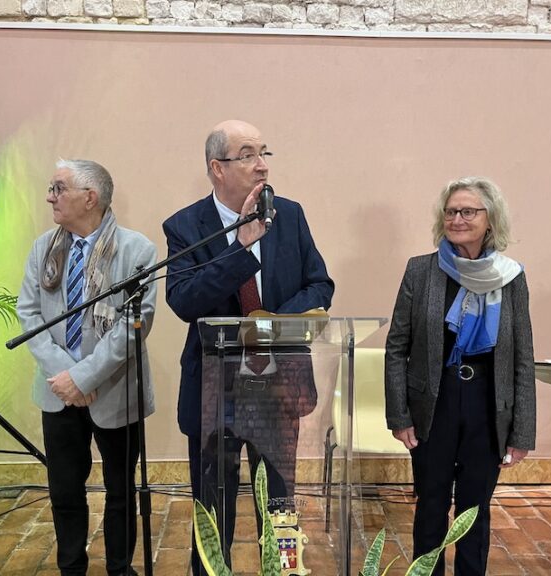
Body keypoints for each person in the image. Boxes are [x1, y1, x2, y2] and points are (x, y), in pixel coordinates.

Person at [162, 119, 334, 574]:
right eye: (248, 155)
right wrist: (239, 248)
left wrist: (270, 324)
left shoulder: (289, 214)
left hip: (278, 387)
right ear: (217, 168)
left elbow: (320, 285)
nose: (262, 165)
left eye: (264, 153)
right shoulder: (185, 226)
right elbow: (184, 301)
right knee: (212, 510)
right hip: (214, 393)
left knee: (280, 508)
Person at [384, 176, 535, 576]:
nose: (457, 218)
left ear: (490, 220)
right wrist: (399, 417)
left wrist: (521, 434)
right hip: (435, 402)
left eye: (468, 211)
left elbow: (522, 357)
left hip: (488, 405)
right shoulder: (421, 271)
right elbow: (397, 347)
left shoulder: (511, 276)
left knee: (474, 510)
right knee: (431, 503)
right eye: (451, 211)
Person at [17, 159, 157, 576]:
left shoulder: (137, 250)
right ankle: (71, 568)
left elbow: (134, 327)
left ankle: (119, 569)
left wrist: (85, 377)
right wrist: (68, 377)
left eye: (58, 188)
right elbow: (29, 314)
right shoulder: (44, 247)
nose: (50, 196)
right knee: (64, 489)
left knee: (120, 490)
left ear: (89, 197)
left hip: (114, 391)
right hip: (57, 390)